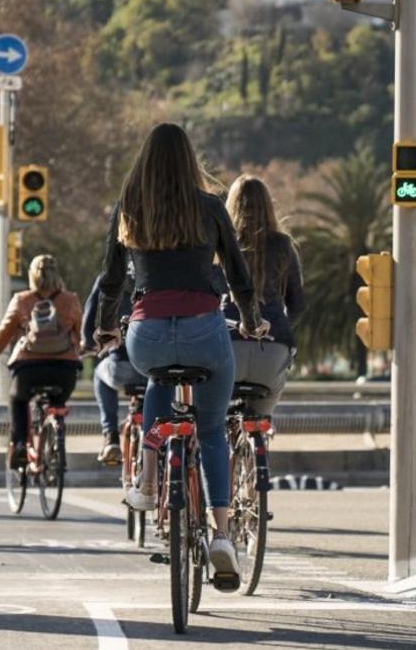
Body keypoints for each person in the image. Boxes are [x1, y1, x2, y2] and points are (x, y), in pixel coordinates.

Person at [94, 123, 268, 592]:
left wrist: (106, 325)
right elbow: (239, 272)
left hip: (147, 333)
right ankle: (222, 535)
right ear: (190, 159)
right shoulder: (210, 207)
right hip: (204, 331)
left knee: (157, 380)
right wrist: (251, 319)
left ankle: (149, 479)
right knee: (210, 430)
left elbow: (111, 279)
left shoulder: (129, 207)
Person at [0, 254, 83, 470]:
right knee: (58, 403)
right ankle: (55, 435)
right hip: (65, 370)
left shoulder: (22, 300)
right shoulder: (70, 300)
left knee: (17, 399)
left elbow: (3, 333)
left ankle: (20, 444)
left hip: (28, 369)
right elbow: (81, 335)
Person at [224, 175, 305, 416]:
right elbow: (298, 305)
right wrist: (279, 326)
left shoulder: (222, 246)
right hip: (273, 347)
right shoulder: (284, 246)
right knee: (261, 417)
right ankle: (258, 438)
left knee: (210, 422)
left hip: (227, 346)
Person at [81, 273, 145, 463]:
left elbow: (90, 315)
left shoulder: (108, 278)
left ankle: (110, 436)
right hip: (152, 367)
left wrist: (87, 342)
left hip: (121, 365)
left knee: (100, 374)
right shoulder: (153, 270)